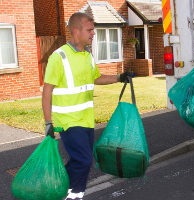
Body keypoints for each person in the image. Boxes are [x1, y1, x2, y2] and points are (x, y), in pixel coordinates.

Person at [42, 12, 131, 200]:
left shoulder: (88, 56)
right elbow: (47, 91)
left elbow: (96, 78)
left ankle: (74, 196)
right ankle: (54, 190)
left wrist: (118, 77)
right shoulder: (58, 58)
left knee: (82, 162)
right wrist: (48, 122)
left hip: (86, 120)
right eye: (89, 29)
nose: (93, 33)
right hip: (68, 121)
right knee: (83, 160)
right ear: (76, 31)